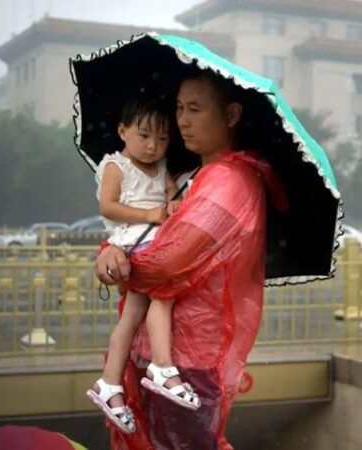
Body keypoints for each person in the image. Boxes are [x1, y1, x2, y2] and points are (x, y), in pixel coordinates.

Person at [96, 69, 286, 449]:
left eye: (195, 109)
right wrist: (111, 251)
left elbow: (168, 262)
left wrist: (118, 260)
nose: (181, 119)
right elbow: (145, 240)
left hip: (190, 361)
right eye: (180, 107)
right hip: (154, 355)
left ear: (231, 115)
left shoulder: (230, 182)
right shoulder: (186, 176)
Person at [86, 97, 201, 435]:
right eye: (144, 135)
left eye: (163, 138)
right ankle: (162, 367)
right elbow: (108, 207)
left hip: (154, 239)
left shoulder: (162, 166)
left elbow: (168, 196)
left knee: (132, 316)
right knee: (163, 297)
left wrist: (174, 204)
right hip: (135, 243)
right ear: (123, 131)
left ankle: (109, 384)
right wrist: (150, 214)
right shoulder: (116, 166)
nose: (153, 146)